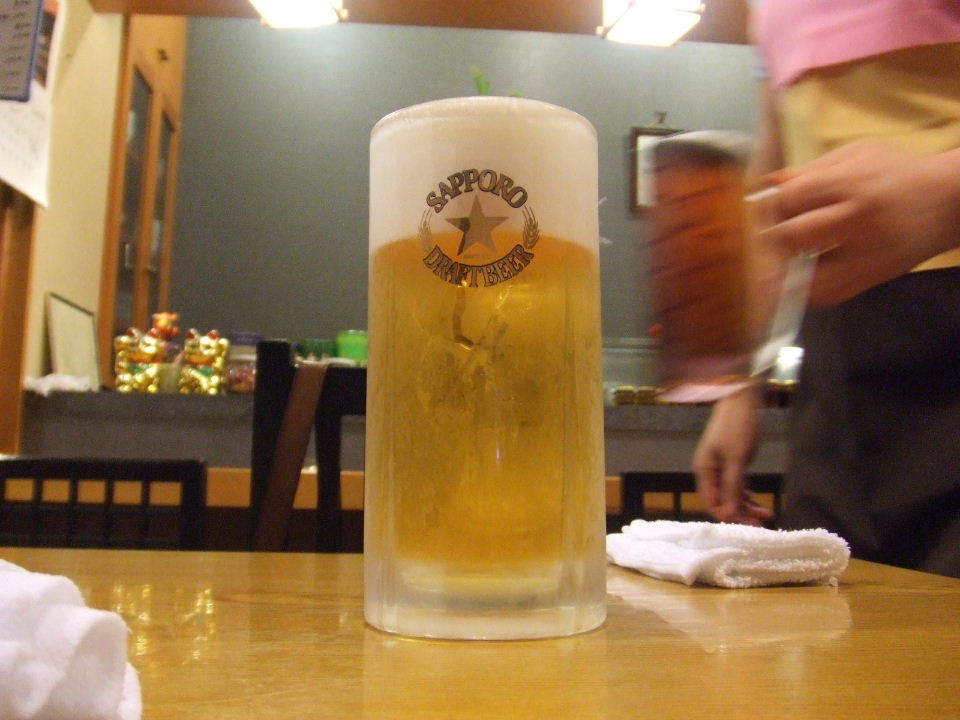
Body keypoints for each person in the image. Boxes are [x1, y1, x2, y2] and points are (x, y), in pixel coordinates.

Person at [692, 0, 960, 577]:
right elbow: (772, 177)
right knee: (845, 601)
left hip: (949, 310)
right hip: (838, 344)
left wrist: (946, 191)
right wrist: (739, 386)